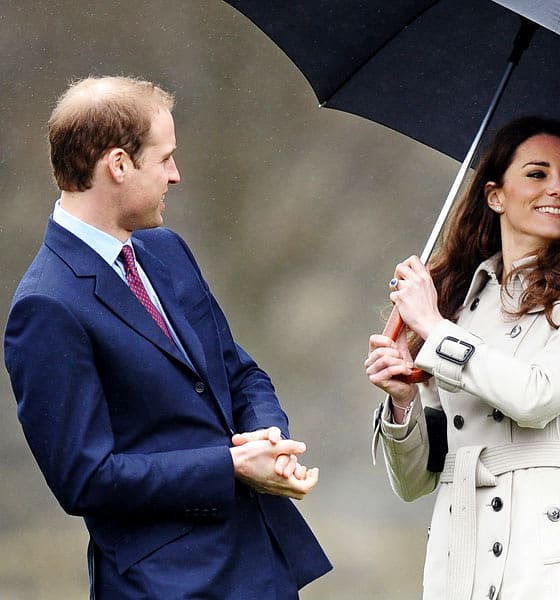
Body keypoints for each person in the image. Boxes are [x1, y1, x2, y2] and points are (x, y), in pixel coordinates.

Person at [4, 76, 332, 599]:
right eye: (164, 159)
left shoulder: (165, 250)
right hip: (163, 585)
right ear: (117, 164)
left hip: (260, 564)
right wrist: (229, 467)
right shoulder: (46, 305)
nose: (176, 176)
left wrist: (268, 439)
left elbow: (239, 374)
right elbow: (85, 478)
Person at [365, 116, 560, 599]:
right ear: (495, 195)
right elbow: (414, 483)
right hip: (458, 547)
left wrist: (434, 328)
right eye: (538, 174)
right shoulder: (460, 298)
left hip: (540, 553)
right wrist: (402, 402)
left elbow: (535, 396)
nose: (557, 189)